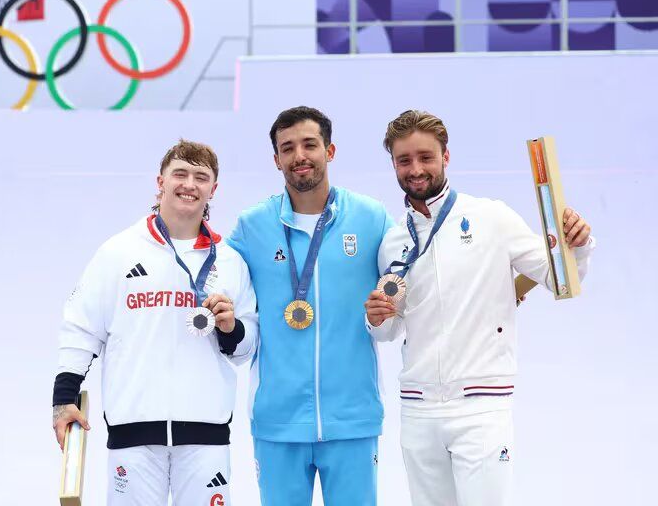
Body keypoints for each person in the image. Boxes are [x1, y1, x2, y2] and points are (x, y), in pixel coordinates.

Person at [364, 110, 595, 506]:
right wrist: (376, 319)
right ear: (394, 165)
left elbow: (558, 279)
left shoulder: (491, 216)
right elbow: (390, 330)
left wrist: (579, 244)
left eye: (426, 157)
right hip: (418, 409)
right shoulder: (393, 239)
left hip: (481, 407)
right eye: (405, 160)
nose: (416, 169)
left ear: (446, 157)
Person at [51, 139, 258, 506]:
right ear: (159, 181)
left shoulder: (229, 261)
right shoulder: (118, 251)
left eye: (201, 177)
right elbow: (82, 327)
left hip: (205, 437)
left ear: (214, 189)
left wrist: (231, 329)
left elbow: (246, 350)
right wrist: (63, 399)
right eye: (179, 173)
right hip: (133, 435)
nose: (189, 184)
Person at [227, 106, 395, 506]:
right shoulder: (252, 226)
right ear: (276, 160)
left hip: (352, 419)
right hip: (277, 422)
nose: (299, 155)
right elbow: (207, 274)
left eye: (309, 144)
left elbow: (413, 272)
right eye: (288, 148)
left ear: (330, 151)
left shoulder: (371, 218)